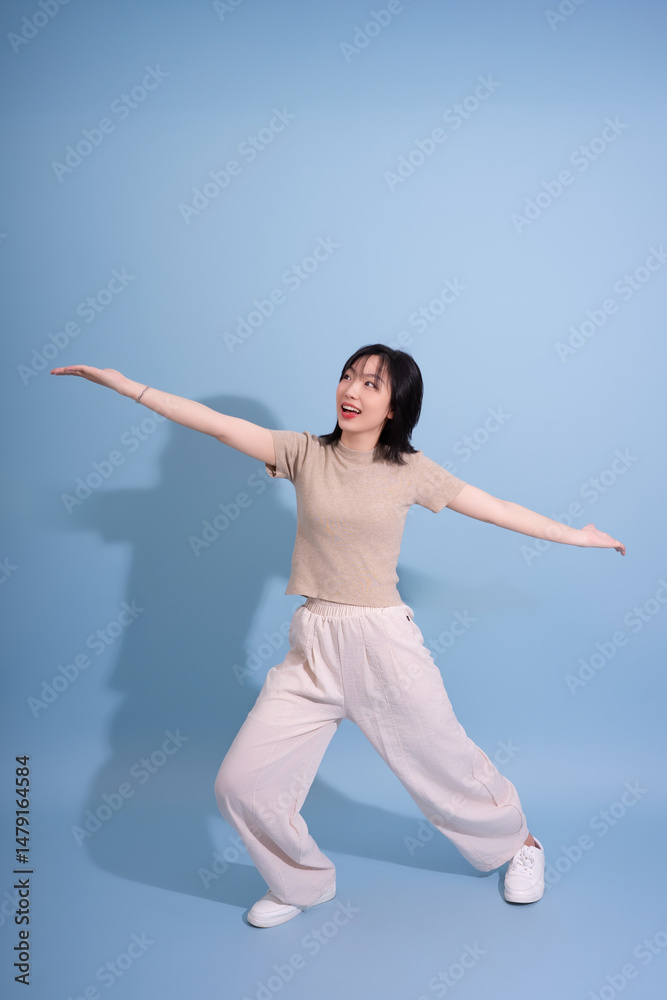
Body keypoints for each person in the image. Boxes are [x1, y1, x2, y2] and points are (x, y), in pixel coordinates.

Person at [50, 346, 625, 928]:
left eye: (371, 384)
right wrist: (126, 385)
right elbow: (218, 425)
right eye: (348, 376)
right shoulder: (305, 453)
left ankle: (520, 846)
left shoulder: (412, 471)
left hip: (383, 644)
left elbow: (496, 508)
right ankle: (300, 885)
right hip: (315, 644)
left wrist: (577, 535)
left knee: (447, 766)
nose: (351, 390)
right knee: (240, 785)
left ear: (395, 407)